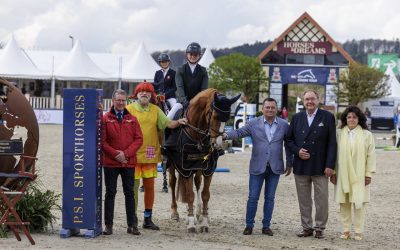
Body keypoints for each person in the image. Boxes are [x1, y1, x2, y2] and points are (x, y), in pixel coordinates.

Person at [223, 98, 292, 236]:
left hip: (275, 167)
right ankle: (249, 225)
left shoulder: (284, 125)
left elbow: (289, 145)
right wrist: (224, 135)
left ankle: (266, 226)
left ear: (276, 109)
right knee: (253, 197)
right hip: (257, 166)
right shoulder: (253, 123)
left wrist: (289, 162)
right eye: (267, 107)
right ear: (262, 109)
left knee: (270, 198)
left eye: (273, 107)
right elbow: (238, 133)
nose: (270, 110)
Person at [126, 82, 187, 230]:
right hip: (133, 154)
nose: (144, 94)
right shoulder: (129, 109)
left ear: (151, 95)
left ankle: (147, 219)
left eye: (147, 92)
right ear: (136, 94)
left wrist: (178, 122)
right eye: (141, 92)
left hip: (150, 152)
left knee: (149, 188)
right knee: (133, 189)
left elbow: (167, 124)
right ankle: (132, 221)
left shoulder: (155, 110)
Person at [286, 90, 337, 239]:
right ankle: (307, 227)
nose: (310, 102)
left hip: (320, 165)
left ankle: (320, 227)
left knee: (321, 199)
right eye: (307, 99)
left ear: (318, 100)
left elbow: (332, 143)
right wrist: (297, 151)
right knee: (304, 199)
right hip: (301, 165)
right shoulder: (296, 118)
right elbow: (288, 140)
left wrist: (330, 165)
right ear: (303, 100)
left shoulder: (327, 117)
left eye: (312, 99)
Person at [330, 106, 376, 241]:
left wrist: (368, 174)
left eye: (354, 117)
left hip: (360, 174)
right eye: (349, 117)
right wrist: (333, 172)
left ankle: (358, 231)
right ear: (345, 119)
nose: (351, 119)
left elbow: (371, 155)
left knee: (359, 203)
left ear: (359, 119)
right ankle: (345, 230)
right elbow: (333, 154)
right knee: (344, 203)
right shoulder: (338, 134)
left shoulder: (367, 135)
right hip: (342, 173)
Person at [102, 89, 143, 236]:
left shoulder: (133, 119)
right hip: (110, 163)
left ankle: (132, 225)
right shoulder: (105, 118)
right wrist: (115, 155)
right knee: (110, 193)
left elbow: (139, 139)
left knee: (129, 194)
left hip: (128, 162)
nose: (120, 103)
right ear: (113, 101)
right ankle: (108, 225)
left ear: (126, 101)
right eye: (118, 100)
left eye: (123, 100)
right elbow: (103, 141)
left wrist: (125, 154)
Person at [167, 42, 208, 119]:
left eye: (195, 54)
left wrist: (197, 102)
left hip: (198, 103)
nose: (193, 56)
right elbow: (180, 87)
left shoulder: (203, 71)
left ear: (199, 56)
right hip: (183, 102)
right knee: (169, 118)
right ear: (187, 55)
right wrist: (184, 101)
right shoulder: (180, 70)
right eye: (191, 54)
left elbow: (204, 90)